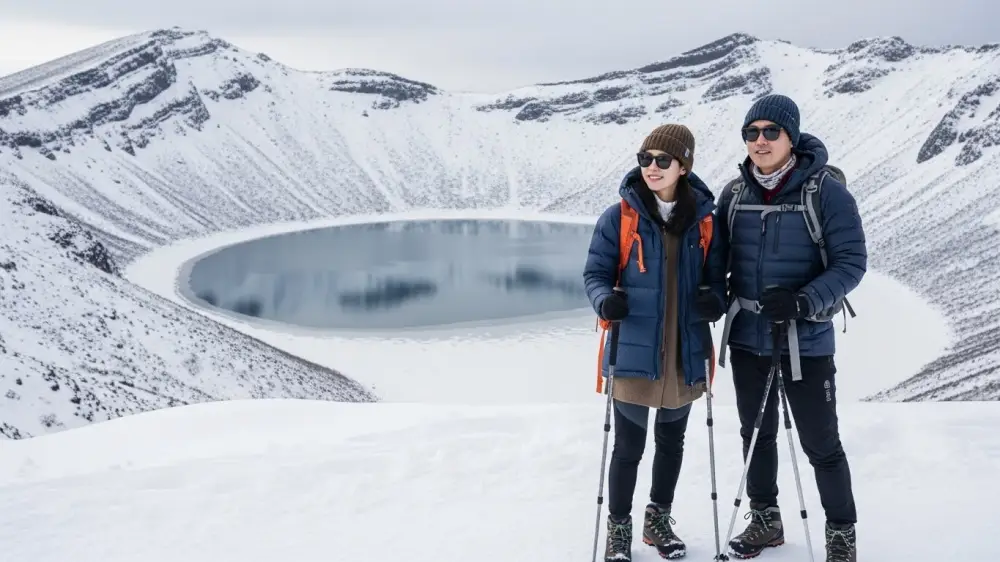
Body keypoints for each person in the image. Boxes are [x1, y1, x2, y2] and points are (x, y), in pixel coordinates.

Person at [710, 94, 866, 562]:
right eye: (751, 132)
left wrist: (802, 300)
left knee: (820, 440)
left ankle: (840, 533)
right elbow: (717, 262)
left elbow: (852, 263)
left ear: (791, 136)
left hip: (806, 339)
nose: (760, 141)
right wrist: (713, 296)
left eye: (770, 131)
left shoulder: (826, 192)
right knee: (755, 432)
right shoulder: (734, 196)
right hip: (748, 337)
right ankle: (765, 519)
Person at [583, 123, 727, 562]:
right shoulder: (619, 217)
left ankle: (657, 521)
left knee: (672, 442)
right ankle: (619, 531)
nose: (651, 167)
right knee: (629, 446)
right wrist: (605, 300)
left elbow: (717, 279)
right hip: (632, 351)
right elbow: (595, 274)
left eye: (663, 160)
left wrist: (713, 302)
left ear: (683, 166)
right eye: (645, 159)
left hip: (684, 354)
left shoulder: (705, 222)